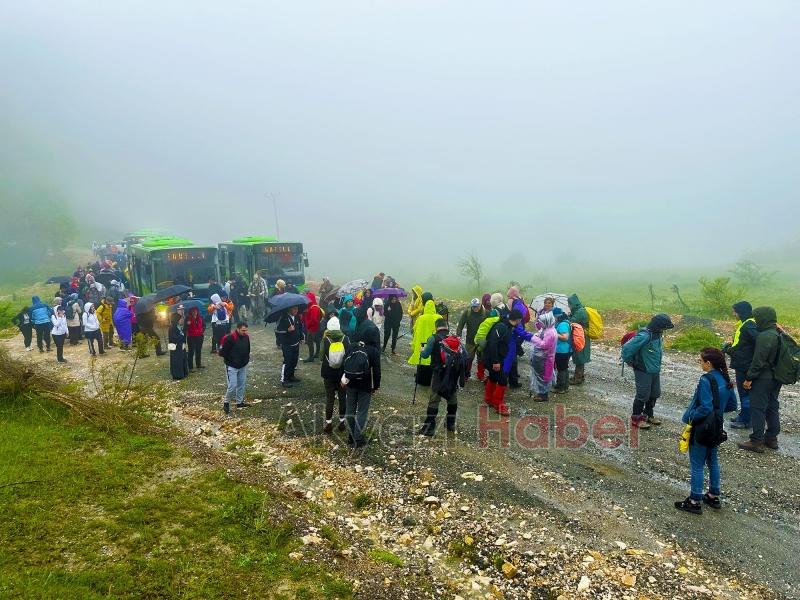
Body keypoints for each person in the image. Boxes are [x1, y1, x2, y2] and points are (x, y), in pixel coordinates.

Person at [675, 348, 736, 514]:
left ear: (708, 363)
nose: (699, 363)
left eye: (700, 361)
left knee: (697, 464)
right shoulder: (725, 378)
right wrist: (718, 410)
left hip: (702, 427)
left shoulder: (705, 380)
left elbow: (705, 407)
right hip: (717, 426)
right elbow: (732, 405)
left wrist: (690, 417)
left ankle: (694, 501)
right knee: (713, 461)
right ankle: (713, 495)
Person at [737, 306, 782, 453]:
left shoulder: (765, 337)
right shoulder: (778, 333)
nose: (755, 322)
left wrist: (749, 378)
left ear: (762, 318)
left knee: (758, 408)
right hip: (777, 377)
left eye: (757, 318)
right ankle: (771, 438)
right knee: (772, 406)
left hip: (763, 378)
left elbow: (758, 362)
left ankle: (756, 440)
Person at [621, 313, 675, 429]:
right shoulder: (644, 336)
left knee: (654, 393)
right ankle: (636, 419)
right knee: (642, 395)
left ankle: (648, 415)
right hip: (643, 370)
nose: (665, 330)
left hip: (654, 369)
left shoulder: (657, 333)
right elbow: (626, 349)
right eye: (664, 327)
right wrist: (631, 363)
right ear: (658, 326)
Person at [417, 319, 467, 436]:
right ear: (446, 326)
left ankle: (429, 427)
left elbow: (424, 355)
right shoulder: (455, 340)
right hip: (452, 374)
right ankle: (450, 424)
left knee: (434, 399)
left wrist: (421, 350)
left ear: (436, 327)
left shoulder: (433, 338)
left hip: (438, 373)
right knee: (452, 398)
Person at [343, 320, 381, 448]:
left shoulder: (353, 345)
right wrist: (376, 386)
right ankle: (358, 438)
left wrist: (344, 379)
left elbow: (345, 362)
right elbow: (377, 371)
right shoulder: (374, 351)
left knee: (350, 409)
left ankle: (350, 435)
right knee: (362, 412)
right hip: (365, 385)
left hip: (351, 382)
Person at [483, 309, 525, 416]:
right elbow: (492, 343)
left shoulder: (509, 326)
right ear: (518, 319)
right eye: (520, 320)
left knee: (493, 377)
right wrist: (495, 361)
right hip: (492, 358)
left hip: (497, 357)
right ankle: (499, 406)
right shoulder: (502, 327)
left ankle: (488, 399)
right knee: (502, 380)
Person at [723, 301, 757, 429]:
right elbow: (743, 344)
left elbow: (755, 345)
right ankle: (743, 415)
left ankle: (746, 421)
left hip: (745, 365)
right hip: (742, 363)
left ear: (741, 312)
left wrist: (732, 351)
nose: (733, 314)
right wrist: (731, 348)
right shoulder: (745, 324)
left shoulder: (749, 326)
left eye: (735, 311)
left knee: (745, 392)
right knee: (743, 392)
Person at [319, 316, 350, 434]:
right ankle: (342, 422)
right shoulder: (346, 339)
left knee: (330, 399)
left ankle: (328, 424)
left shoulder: (325, 339)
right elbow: (348, 356)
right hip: (342, 374)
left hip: (328, 373)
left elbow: (321, 357)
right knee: (342, 398)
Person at [220, 321, 251, 414]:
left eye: (245, 330)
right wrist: (231, 360)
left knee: (242, 384)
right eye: (243, 330)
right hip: (231, 366)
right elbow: (222, 352)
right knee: (232, 385)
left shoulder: (246, 337)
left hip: (242, 365)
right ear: (237, 329)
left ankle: (239, 402)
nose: (244, 332)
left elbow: (248, 349)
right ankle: (226, 402)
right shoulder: (230, 338)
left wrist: (246, 360)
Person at [408, 300, 441, 389]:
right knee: (431, 359)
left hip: (422, 342)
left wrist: (415, 342)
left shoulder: (421, 318)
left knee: (422, 358)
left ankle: (420, 379)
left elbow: (415, 329)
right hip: (433, 342)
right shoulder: (438, 317)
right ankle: (428, 381)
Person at [529, 311, 557, 402]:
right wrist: (538, 335)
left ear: (546, 321)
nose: (540, 324)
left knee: (543, 376)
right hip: (544, 357)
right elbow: (541, 333)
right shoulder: (548, 329)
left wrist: (534, 338)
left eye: (541, 322)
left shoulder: (550, 333)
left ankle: (543, 395)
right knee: (542, 375)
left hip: (545, 358)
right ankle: (542, 393)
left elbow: (545, 345)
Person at [457, 298, 487, 380]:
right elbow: (460, 324)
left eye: (477, 306)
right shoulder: (467, 312)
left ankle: (480, 375)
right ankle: (466, 374)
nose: (475, 308)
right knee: (468, 358)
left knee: (481, 358)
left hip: (481, 340)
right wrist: (458, 335)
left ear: (480, 305)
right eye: (473, 307)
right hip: (470, 340)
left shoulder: (485, 313)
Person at [276, 306, 305, 388]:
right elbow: (277, 330)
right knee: (287, 362)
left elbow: (300, 328)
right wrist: (287, 330)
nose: (296, 310)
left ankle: (291, 376)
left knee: (294, 361)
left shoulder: (297, 316)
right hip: (287, 344)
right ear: (289, 309)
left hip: (296, 343)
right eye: (294, 309)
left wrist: (301, 338)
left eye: (297, 308)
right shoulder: (283, 318)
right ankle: (284, 380)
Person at [568, 294, 591, 385]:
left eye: (569, 304)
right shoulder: (579, 310)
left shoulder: (580, 312)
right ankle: (580, 376)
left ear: (573, 303)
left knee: (579, 357)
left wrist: (567, 317)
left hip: (581, 337)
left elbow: (571, 322)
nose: (569, 306)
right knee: (580, 356)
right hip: (582, 336)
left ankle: (577, 379)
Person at [552, 308, 572, 394]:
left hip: (563, 350)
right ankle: (565, 386)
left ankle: (561, 387)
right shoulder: (563, 322)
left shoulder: (563, 324)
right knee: (564, 368)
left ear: (556, 316)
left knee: (561, 369)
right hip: (564, 349)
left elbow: (565, 337)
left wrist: (553, 333)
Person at [302, 292, 323, 363]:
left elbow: (314, 319)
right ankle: (317, 354)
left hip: (312, 328)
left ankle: (311, 357)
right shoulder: (315, 306)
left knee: (309, 341)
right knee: (317, 340)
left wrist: (308, 324)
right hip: (317, 327)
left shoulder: (313, 307)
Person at [168, 312, 189, 380]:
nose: (181, 320)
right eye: (180, 319)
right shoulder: (172, 327)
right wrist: (181, 336)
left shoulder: (178, 326)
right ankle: (178, 375)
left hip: (180, 346)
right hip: (175, 347)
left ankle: (183, 372)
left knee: (182, 359)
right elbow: (173, 338)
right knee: (176, 360)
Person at [185, 306, 205, 370]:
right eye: (193, 311)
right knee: (191, 352)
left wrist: (202, 330)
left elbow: (204, 325)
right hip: (191, 337)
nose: (195, 312)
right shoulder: (188, 318)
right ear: (191, 312)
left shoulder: (200, 317)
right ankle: (190, 367)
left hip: (199, 336)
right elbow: (185, 328)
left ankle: (198, 364)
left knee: (198, 350)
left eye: (196, 311)